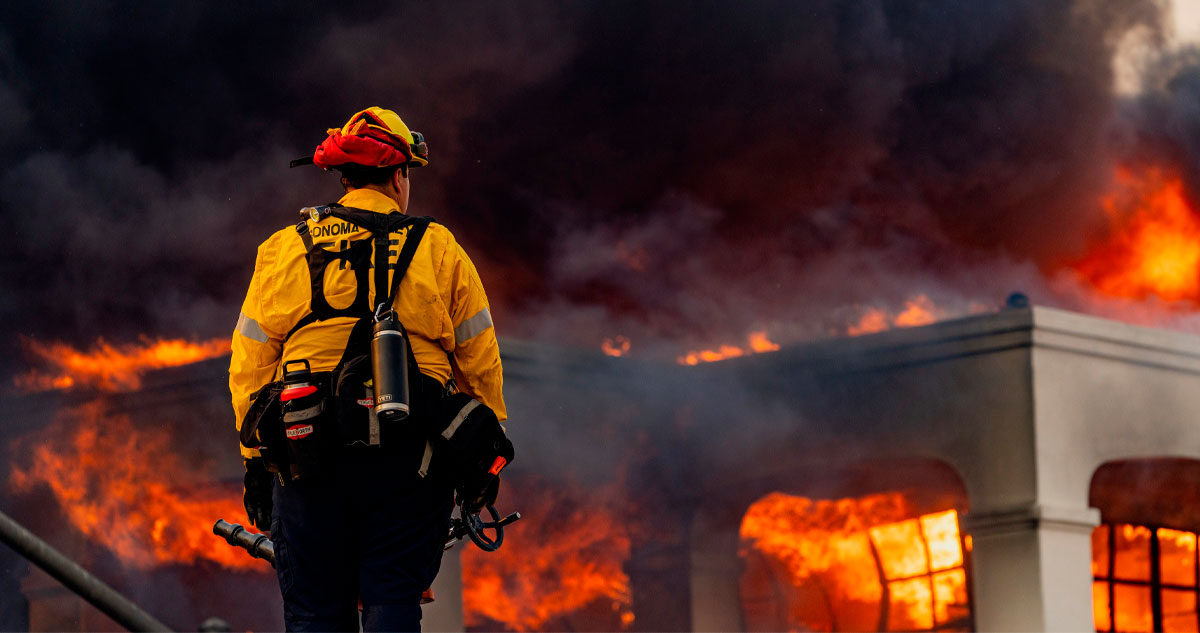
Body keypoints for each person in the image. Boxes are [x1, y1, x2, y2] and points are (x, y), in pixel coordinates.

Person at [228, 107, 507, 632]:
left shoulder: (284, 247)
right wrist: (480, 462)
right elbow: (480, 363)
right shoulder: (438, 247)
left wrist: (254, 464)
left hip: (304, 455)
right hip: (411, 463)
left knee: (313, 613)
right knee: (393, 602)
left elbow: (249, 365)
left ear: (344, 178)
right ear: (399, 175)